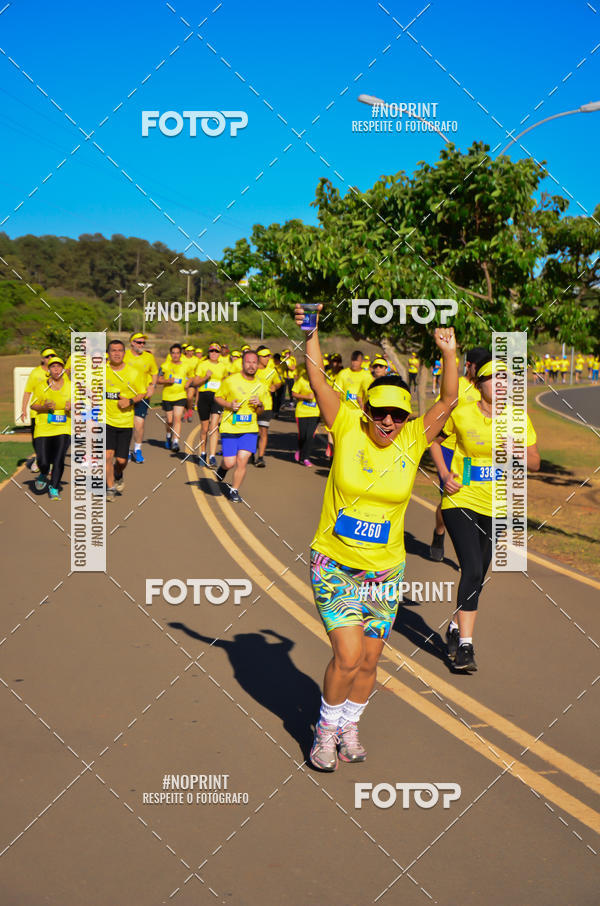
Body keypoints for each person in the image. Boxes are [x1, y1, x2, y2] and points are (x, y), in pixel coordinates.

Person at [294, 303, 458, 771]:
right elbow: (318, 380)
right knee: (347, 656)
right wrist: (310, 331)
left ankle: (350, 725)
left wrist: (449, 353)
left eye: (398, 415)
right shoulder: (347, 425)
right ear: (365, 410)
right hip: (335, 564)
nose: (389, 422)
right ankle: (325, 732)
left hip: (385, 571)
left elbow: (448, 400)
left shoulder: (411, 439)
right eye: (380, 412)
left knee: (369, 661)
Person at [430, 359, 540, 671]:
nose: (500, 383)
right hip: (461, 499)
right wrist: (444, 474)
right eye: (493, 378)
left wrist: (517, 451)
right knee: (472, 567)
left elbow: (535, 462)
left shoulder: (518, 419)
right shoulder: (462, 413)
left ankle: (455, 625)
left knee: (478, 573)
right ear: (479, 385)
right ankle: (465, 647)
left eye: (506, 379)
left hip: (498, 506)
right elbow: (434, 441)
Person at [430, 347, 490, 562]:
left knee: (471, 499)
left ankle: (470, 552)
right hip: (448, 449)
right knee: (450, 496)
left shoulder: (487, 389)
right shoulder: (455, 387)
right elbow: (440, 412)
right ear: (468, 366)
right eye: (478, 367)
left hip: (470, 456)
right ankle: (439, 533)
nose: (482, 371)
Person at [213, 350, 271, 502]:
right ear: (243, 363)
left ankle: (234, 490)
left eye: (254, 362)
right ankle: (223, 468)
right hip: (230, 427)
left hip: (249, 429)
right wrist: (229, 405)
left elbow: (260, 411)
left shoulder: (261, 385)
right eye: (248, 362)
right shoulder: (230, 381)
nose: (251, 365)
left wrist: (259, 405)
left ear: (257, 364)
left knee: (242, 460)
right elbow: (217, 397)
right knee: (229, 462)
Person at [105, 340, 146, 502]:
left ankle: (118, 473)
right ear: (108, 353)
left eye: (120, 350)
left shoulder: (133, 373)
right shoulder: (100, 372)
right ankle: (110, 488)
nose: (116, 353)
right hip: (106, 420)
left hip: (125, 422)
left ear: (124, 353)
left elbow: (142, 393)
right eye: (113, 350)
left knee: (121, 461)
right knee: (107, 456)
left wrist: (129, 401)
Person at [30, 357, 71, 500]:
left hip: (63, 427)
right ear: (49, 369)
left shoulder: (71, 386)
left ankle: (54, 487)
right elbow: (33, 405)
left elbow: (82, 405)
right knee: (43, 461)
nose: (56, 369)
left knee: (59, 459)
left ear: (63, 369)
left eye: (59, 366)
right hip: (43, 427)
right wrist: (44, 407)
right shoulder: (41, 386)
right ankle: (43, 472)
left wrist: (72, 407)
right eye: (53, 366)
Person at [123, 333, 158, 463]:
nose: (142, 345)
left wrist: (152, 386)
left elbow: (154, 372)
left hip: (142, 394)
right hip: (125, 395)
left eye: (143, 343)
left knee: (139, 423)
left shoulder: (149, 357)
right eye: (139, 342)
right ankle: (125, 450)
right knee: (126, 425)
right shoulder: (124, 355)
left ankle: (137, 450)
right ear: (132, 343)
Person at [192, 342, 229, 466]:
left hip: (217, 398)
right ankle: (203, 453)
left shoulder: (223, 367)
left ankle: (212, 456)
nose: (214, 353)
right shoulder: (202, 364)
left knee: (214, 427)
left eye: (216, 351)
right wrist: (205, 377)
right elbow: (195, 382)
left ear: (219, 354)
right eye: (212, 351)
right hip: (204, 397)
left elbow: (226, 382)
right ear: (208, 353)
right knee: (204, 428)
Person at [20, 347, 56, 472]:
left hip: (53, 412)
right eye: (47, 356)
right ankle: (39, 459)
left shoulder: (57, 372)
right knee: (37, 439)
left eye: (52, 356)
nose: (50, 358)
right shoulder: (35, 373)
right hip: (36, 412)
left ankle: (48, 462)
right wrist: (23, 409)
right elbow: (27, 392)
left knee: (52, 438)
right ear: (42, 359)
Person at [157, 343, 192, 453]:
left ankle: (175, 441)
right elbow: (158, 380)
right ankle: (168, 435)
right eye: (173, 353)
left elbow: (191, 376)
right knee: (170, 420)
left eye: (177, 353)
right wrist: (167, 381)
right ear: (170, 354)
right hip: (167, 396)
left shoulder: (186, 365)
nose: (175, 355)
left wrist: (188, 383)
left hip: (180, 395)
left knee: (177, 418)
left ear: (181, 354)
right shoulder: (165, 366)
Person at [254, 347, 282, 467]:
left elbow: (278, 382)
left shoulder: (272, 371)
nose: (267, 358)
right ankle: (250, 452)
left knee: (263, 432)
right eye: (264, 356)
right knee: (251, 431)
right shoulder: (252, 369)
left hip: (266, 405)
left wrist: (275, 387)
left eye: (268, 356)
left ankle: (260, 457)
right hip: (251, 405)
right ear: (258, 357)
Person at [292, 366, 320, 466]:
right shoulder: (302, 379)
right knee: (303, 436)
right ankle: (300, 450)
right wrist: (306, 397)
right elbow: (294, 393)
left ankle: (306, 458)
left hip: (315, 412)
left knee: (309, 435)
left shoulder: (321, 380)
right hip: (302, 412)